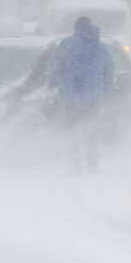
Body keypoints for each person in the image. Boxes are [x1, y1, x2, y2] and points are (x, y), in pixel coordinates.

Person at [48, 16, 114, 172]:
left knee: (72, 131)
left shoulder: (66, 44)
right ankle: (93, 165)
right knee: (92, 131)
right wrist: (109, 89)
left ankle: (75, 165)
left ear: (76, 28)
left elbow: (54, 65)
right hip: (93, 98)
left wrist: (52, 82)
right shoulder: (100, 46)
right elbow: (109, 70)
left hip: (70, 98)